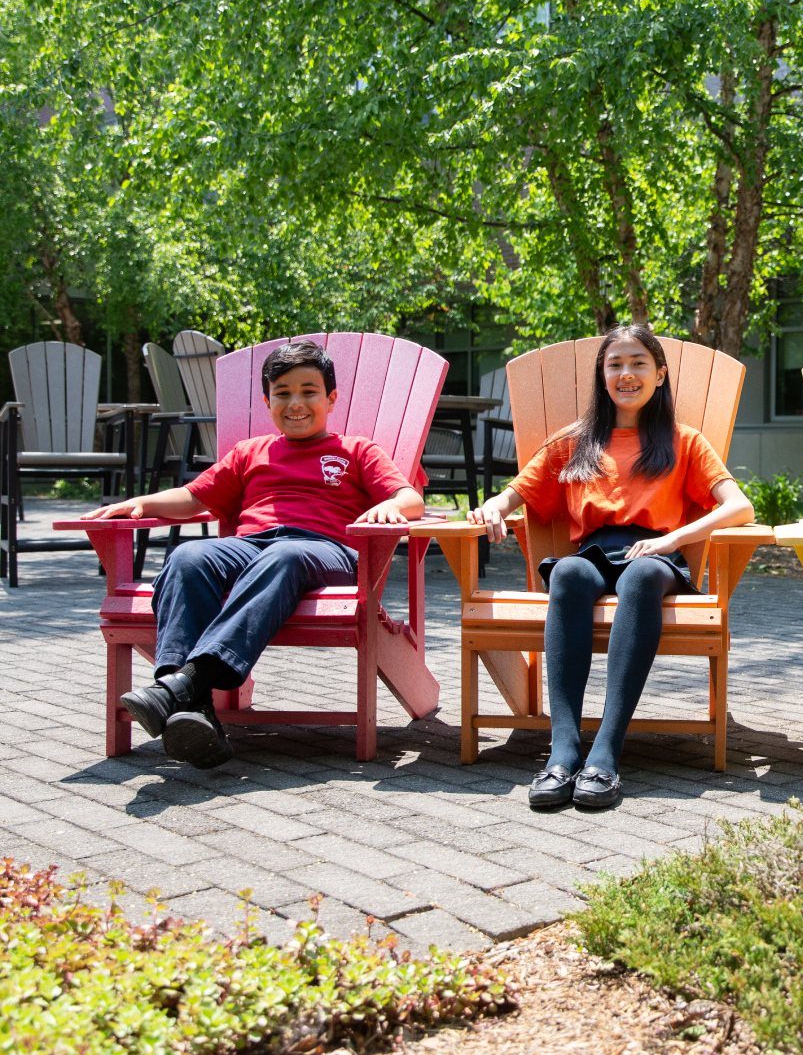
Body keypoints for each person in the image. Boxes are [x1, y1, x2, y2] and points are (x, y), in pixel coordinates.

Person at [83, 341, 423, 769]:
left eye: (308, 391)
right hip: (251, 548)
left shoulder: (357, 450)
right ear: (267, 401)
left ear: (331, 398)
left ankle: (173, 688)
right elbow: (191, 497)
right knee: (189, 557)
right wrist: (142, 503)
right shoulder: (251, 452)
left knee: (284, 555)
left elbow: (409, 498)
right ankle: (192, 702)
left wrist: (392, 505)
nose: (295, 403)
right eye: (282, 393)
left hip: (326, 553)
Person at [470, 324, 754, 810]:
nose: (627, 373)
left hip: (658, 556)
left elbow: (740, 507)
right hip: (595, 553)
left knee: (643, 575)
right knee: (567, 573)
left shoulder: (684, 441)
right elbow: (516, 491)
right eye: (615, 364)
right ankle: (563, 752)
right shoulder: (577, 441)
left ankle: (605, 750)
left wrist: (675, 540)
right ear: (602, 376)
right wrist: (493, 507)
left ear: (660, 374)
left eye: (638, 363)